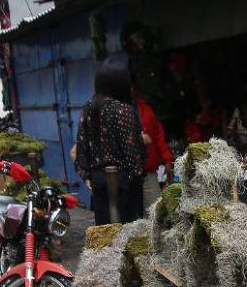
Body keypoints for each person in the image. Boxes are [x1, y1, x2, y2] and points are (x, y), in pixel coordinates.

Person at [73, 58, 147, 225]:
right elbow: (134, 156)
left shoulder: (88, 108)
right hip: (123, 184)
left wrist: (88, 175)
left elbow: (82, 148)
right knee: (127, 234)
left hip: (98, 182)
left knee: (105, 235)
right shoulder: (123, 110)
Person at [136, 91, 173, 208]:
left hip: (148, 173)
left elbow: (158, 136)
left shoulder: (147, 110)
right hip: (126, 176)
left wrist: (167, 159)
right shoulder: (114, 110)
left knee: (156, 212)